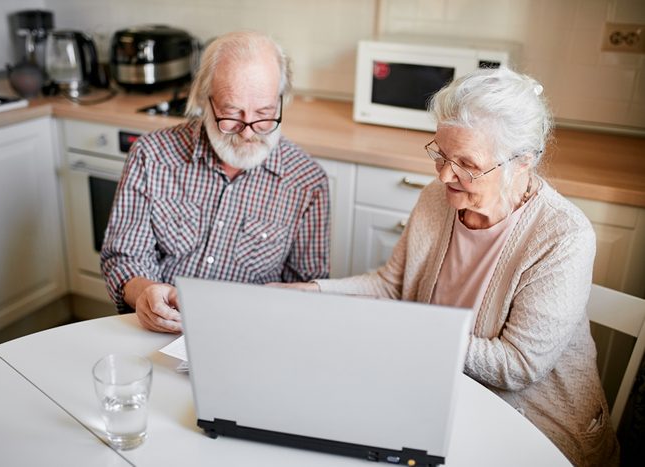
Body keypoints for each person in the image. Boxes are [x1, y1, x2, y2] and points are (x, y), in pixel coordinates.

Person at [278, 68, 618, 466]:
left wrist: (415, 332)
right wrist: (314, 292)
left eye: (466, 164)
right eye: (440, 153)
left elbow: (518, 367)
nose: (443, 175)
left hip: (533, 424)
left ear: (522, 162)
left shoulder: (564, 237)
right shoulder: (438, 198)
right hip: (436, 390)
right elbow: (392, 286)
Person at [101, 31, 330, 334]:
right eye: (232, 113)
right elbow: (124, 256)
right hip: (157, 330)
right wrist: (145, 292)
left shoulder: (306, 182)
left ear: (282, 100)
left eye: (264, 114)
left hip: (249, 336)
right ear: (204, 100)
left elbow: (307, 290)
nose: (248, 132)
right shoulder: (152, 155)